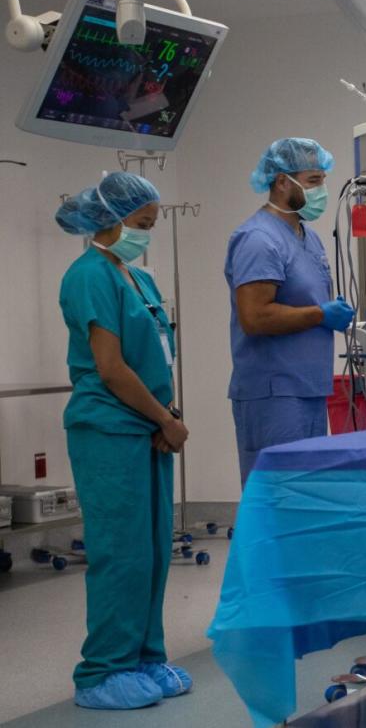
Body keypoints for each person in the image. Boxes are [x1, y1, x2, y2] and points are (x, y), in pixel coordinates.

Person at [56, 172, 192, 710]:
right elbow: (111, 369)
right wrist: (163, 417)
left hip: (148, 426)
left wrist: (166, 418)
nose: (147, 234)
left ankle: (145, 658)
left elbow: (157, 354)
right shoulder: (89, 275)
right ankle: (101, 671)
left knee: (156, 550)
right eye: (140, 224)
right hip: (108, 427)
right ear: (109, 220)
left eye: (152, 225)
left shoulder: (139, 278)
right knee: (123, 553)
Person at [225, 138, 354, 486]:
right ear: (282, 181)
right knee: (278, 496)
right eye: (313, 181)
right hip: (273, 392)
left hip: (309, 387)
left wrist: (329, 312)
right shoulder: (258, 239)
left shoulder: (307, 236)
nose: (321, 189)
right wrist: (320, 315)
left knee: (304, 495)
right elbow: (254, 317)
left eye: (323, 180)